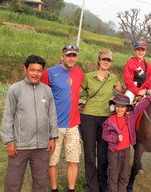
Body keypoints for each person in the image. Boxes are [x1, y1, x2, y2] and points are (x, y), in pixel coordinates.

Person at [0, 55, 59, 192]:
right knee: (13, 182)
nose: (35, 73)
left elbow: (52, 114)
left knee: (41, 182)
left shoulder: (47, 90)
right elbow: (8, 116)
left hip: (42, 146)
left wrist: (53, 137)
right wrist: (9, 141)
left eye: (39, 70)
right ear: (25, 70)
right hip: (20, 146)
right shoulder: (15, 89)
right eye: (32, 70)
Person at [41, 44, 84, 192]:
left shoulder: (79, 72)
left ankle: (70, 189)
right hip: (55, 125)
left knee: (73, 160)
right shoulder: (50, 73)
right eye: (68, 55)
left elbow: (78, 92)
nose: (71, 58)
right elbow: (42, 97)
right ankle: (54, 189)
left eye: (74, 55)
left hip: (73, 125)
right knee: (53, 161)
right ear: (62, 56)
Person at [80, 49, 123, 192]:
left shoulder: (113, 78)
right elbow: (76, 93)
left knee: (104, 154)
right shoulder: (88, 77)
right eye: (104, 59)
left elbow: (122, 93)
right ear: (98, 60)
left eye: (108, 60)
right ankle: (93, 186)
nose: (106, 62)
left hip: (106, 118)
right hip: (88, 117)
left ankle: (103, 184)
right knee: (90, 153)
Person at [102, 91, 151, 192]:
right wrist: (115, 138)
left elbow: (141, 105)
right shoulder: (110, 120)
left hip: (126, 150)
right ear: (114, 106)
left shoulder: (130, 116)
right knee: (113, 175)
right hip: (114, 152)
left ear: (127, 108)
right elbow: (105, 135)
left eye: (123, 107)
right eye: (118, 106)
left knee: (124, 175)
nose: (120, 109)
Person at [123, 40, 151, 104]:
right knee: (126, 102)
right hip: (132, 90)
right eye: (138, 50)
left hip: (145, 91)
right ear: (134, 50)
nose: (140, 52)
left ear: (145, 52)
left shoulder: (149, 66)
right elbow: (128, 80)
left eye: (142, 50)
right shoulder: (130, 63)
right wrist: (137, 92)